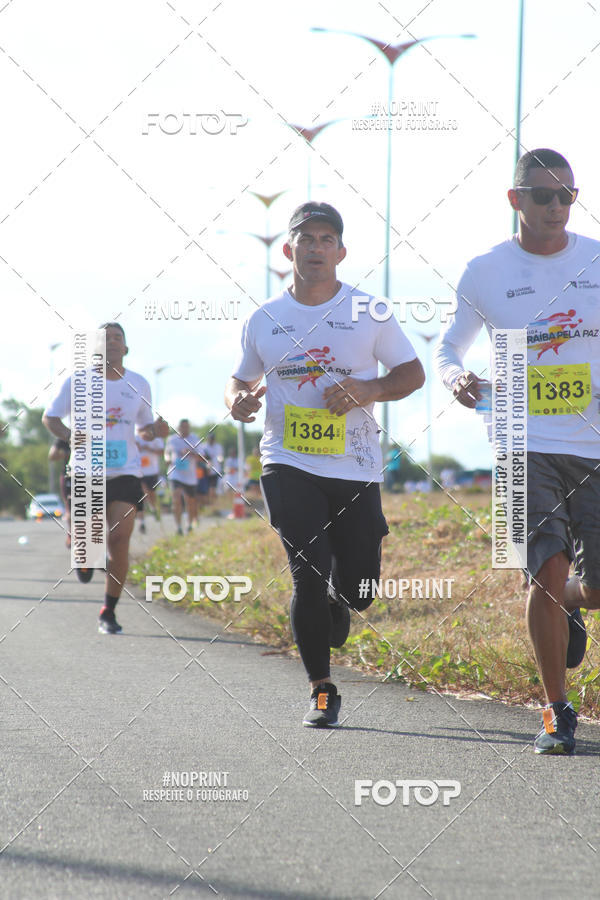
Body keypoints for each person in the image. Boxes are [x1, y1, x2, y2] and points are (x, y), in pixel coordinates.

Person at [225, 201, 424, 727]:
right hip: (287, 462)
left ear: (341, 252)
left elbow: (413, 373)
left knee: (360, 588)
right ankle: (321, 689)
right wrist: (238, 400)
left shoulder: (370, 312)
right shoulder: (264, 318)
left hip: (355, 465)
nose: (315, 248)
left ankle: (343, 599)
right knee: (306, 575)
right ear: (288, 250)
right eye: (305, 240)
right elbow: (241, 379)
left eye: (325, 239)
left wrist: (369, 388)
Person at [434, 149, 600, 755]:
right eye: (542, 195)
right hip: (518, 439)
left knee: (588, 584)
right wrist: (455, 377)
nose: (556, 206)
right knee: (545, 568)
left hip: (593, 441)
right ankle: (556, 710)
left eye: (567, 195)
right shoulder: (486, 271)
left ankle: (571, 604)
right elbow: (448, 346)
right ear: (515, 200)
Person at [43, 322, 168, 633]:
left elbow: (143, 428)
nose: (111, 342)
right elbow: (50, 417)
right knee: (91, 545)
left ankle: (108, 611)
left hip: (125, 470)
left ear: (125, 348)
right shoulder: (77, 381)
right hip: (85, 470)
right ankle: (82, 548)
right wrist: (71, 436)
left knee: (119, 540)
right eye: (105, 338)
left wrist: (155, 431)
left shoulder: (139, 383)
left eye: (117, 338)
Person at [165, 419, 200, 534]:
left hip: (190, 476)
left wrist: (190, 453)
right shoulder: (172, 439)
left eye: (186, 427)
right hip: (175, 474)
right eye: (182, 427)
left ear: (189, 427)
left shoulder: (194, 439)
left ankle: (189, 524)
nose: (184, 429)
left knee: (190, 501)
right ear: (178, 427)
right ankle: (178, 526)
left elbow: (202, 457)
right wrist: (168, 460)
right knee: (176, 499)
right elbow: (167, 453)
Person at [136, 434, 164, 532]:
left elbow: (161, 452)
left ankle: (153, 508)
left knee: (151, 495)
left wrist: (149, 448)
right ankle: (141, 523)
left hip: (152, 471)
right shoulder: (135, 437)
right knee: (141, 496)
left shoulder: (156, 438)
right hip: (139, 472)